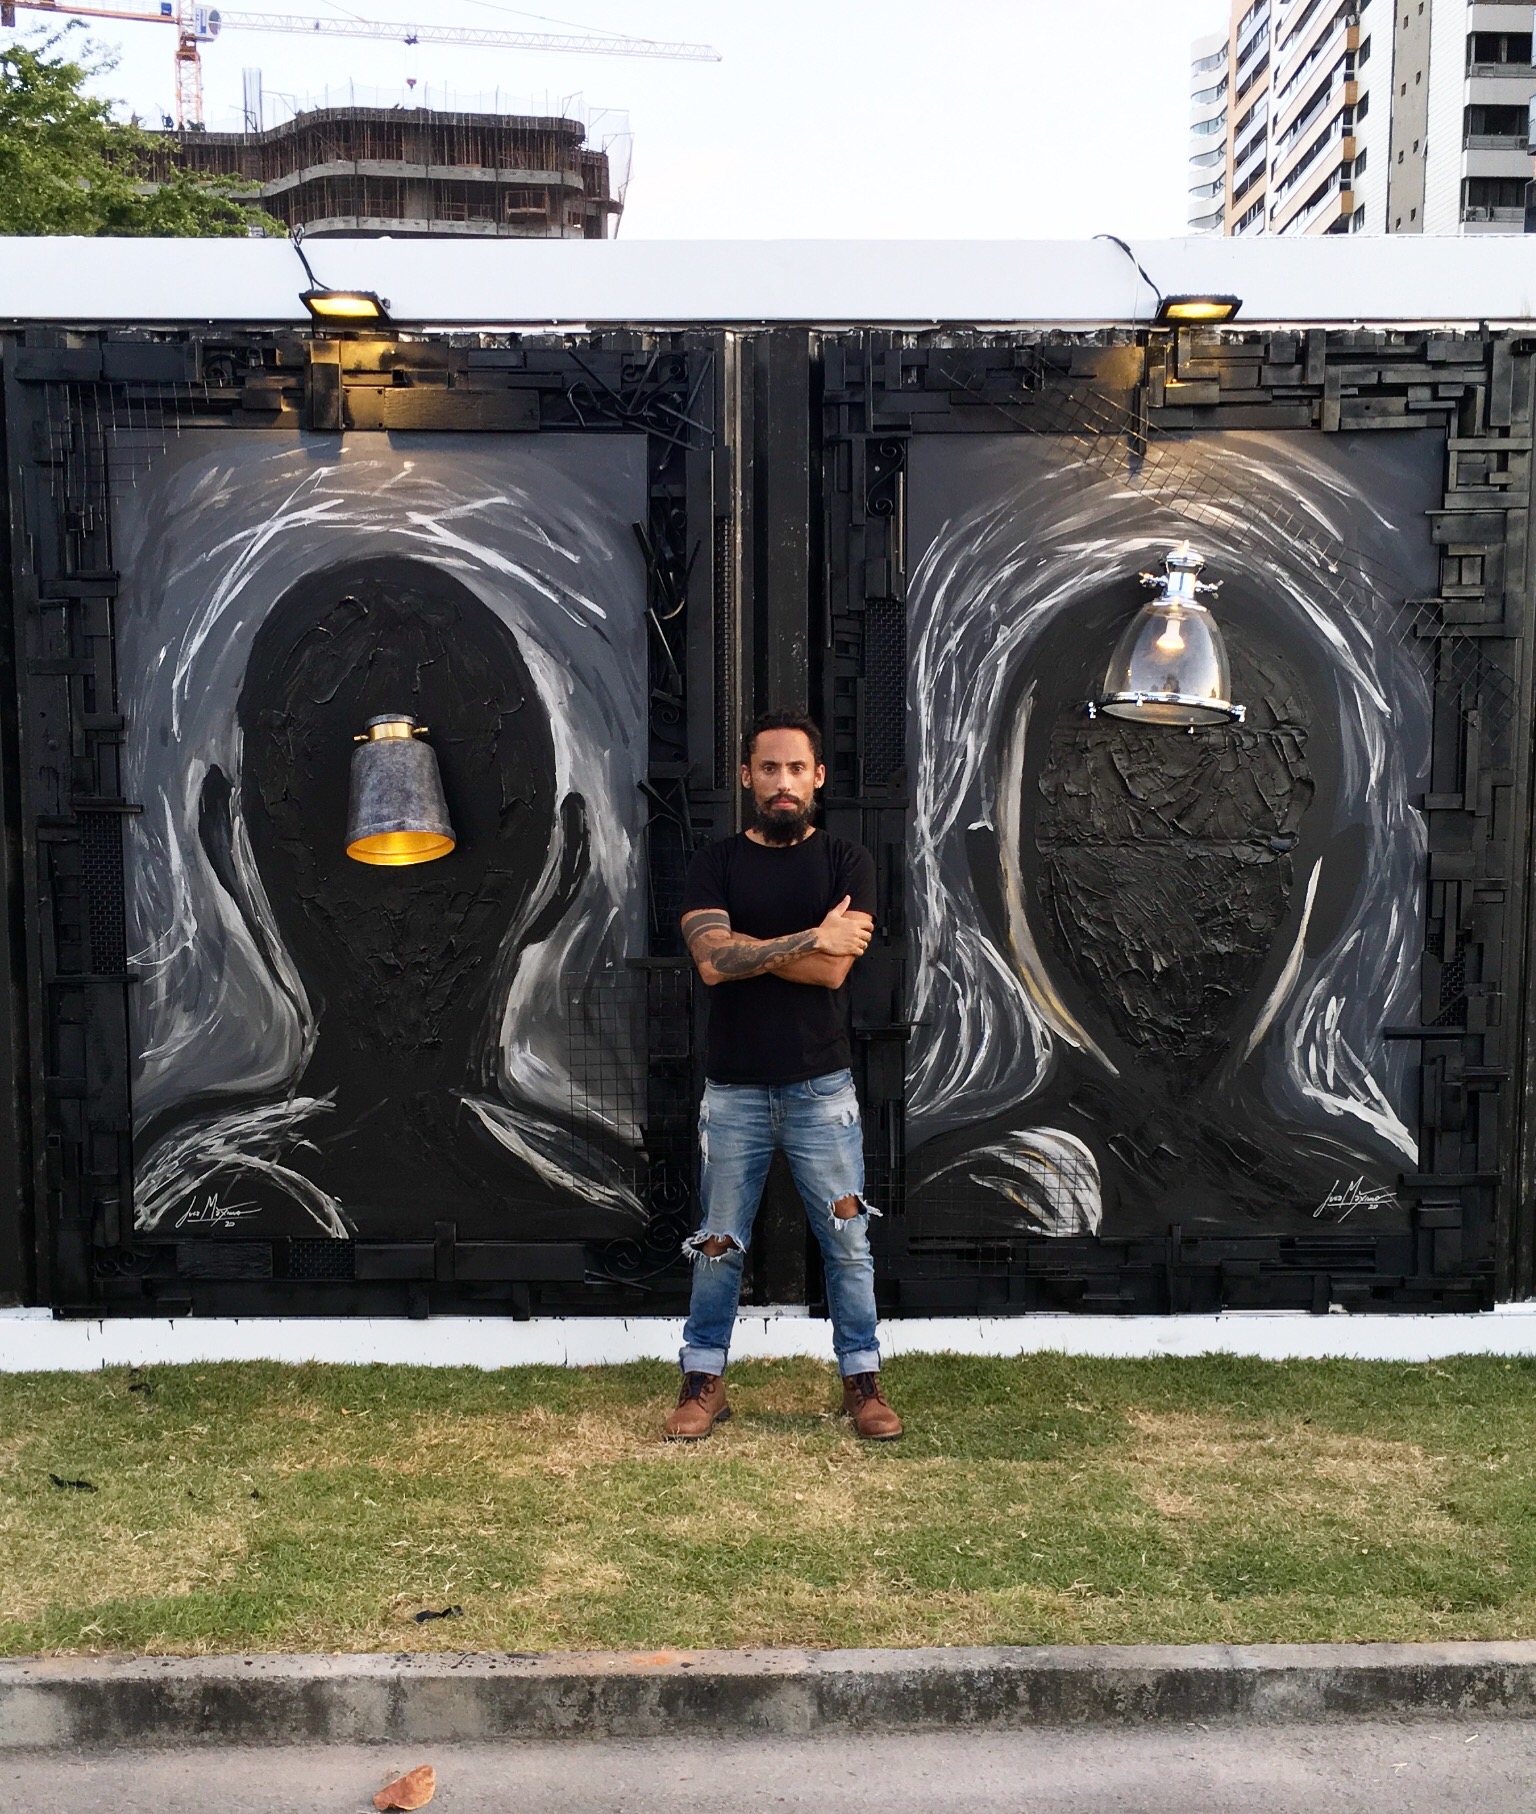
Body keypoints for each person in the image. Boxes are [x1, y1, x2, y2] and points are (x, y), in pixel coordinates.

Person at [665, 710, 901, 1442]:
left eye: (796, 768)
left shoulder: (847, 861)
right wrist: (811, 937)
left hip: (820, 1089)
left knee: (848, 1244)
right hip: (733, 1090)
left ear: (818, 776)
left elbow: (833, 971)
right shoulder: (714, 863)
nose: (783, 781)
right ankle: (703, 1382)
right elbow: (712, 961)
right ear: (747, 776)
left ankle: (862, 1381)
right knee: (716, 1246)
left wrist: (754, 948)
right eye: (768, 768)